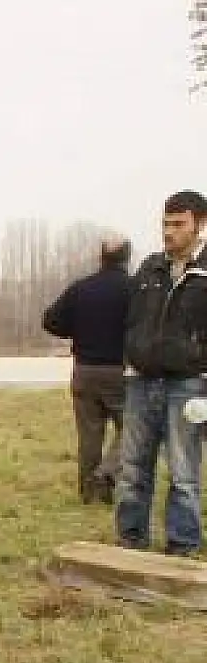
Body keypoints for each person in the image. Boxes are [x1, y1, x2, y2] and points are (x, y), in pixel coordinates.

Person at [114, 190, 207, 558]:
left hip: (187, 384)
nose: (169, 232)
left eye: (178, 224)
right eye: (165, 224)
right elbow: (133, 319)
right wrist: (132, 354)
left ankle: (182, 546)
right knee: (133, 466)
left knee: (183, 471)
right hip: (141, 381)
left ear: (199, 225)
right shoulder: (150, 268)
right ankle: (130, 540)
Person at [42, 237, 134, 504]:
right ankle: (107, 474)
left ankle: (88, 492)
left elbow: (50, 320)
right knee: (132, 429)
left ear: (101, 257)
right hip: (120, 371)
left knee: (89, 435)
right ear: (127, 259)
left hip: (84, 370)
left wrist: (76, 330)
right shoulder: (134, 288)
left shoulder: (81, 288)